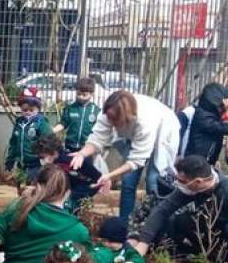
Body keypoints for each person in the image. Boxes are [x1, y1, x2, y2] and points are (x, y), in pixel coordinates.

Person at [67, 90, 180, 221]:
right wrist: (81, 154)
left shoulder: (145, 122)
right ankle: (125, 223)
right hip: (133, 135)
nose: (110, 121)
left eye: (114, 119)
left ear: (125, 116)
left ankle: (155, 225)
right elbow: (97, 139)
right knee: (128, 181)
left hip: (164, 132)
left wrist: (109, 175)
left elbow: (136, 161)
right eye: (108, 117)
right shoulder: (109, 112)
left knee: (153, 182)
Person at [35, 133, 102, 214]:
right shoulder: (54, 162)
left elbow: (96, 175)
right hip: (71, 186)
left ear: (54, 153)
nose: (42, 160)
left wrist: (98, 184)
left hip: (86, 186)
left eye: (42, 157)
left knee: (69, 203)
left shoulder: (70, 160)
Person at [5, 87, 51, 183]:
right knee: (21, 188)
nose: (28, 112)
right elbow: (13, 143)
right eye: (25, 110)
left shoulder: (41, 123)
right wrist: (10, 161)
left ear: (38, 109)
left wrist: (45, 159)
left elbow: (49, 141)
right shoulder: (19, 123)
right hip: (21, 164)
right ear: (21, 108)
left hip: (35, 164)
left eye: (32, 110)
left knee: (31, 189)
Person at [182, 82, 228, 165]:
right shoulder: (203, 116)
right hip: (197, 163)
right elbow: (226, 128)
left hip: (204, 161)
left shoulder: (210, 115)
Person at [55, 77, 100, 152]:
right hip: (70, 146)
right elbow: (63, 124)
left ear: (92, 94)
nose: (81, 97)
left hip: (87, 148)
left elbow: (98, 130)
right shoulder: (70, 108)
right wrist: (52, 130)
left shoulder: (96, 111)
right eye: (78, 94)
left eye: (84, 95)